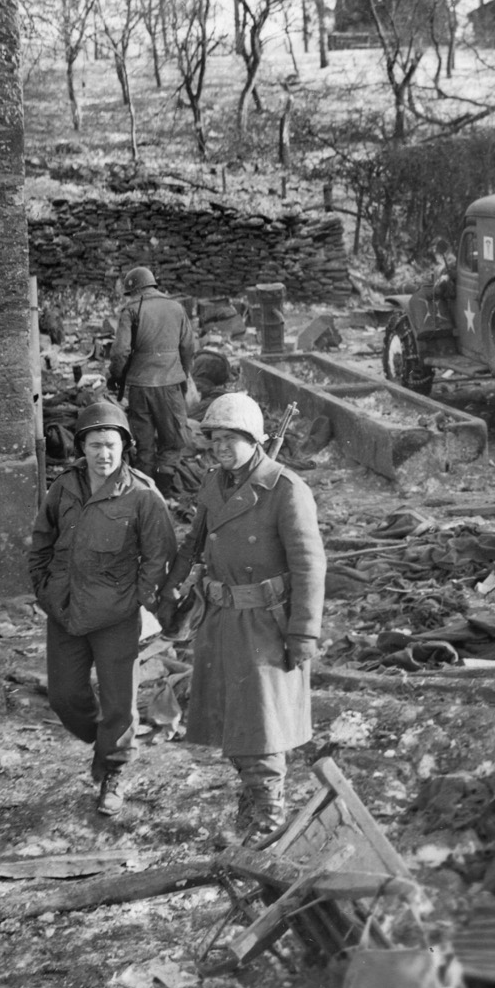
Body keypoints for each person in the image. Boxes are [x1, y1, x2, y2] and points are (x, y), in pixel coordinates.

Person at [156, 393, 325, 847]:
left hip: (265, 622)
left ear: (255, 440)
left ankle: (269, 815)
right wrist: (170, 595)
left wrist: (304, 631)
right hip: (220, 616)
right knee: (229, 718)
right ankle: (253, 799)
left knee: (261, 723)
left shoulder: (286, 490)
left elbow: (310, 566)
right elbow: (194, 545)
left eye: (232, 439)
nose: (222, 447)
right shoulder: (216, 484)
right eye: (215, 438)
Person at [27, 400, 175, 817]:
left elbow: (160, 555)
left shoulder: (143, 494)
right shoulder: (64, 487)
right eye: (95, 445)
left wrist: (135, 601)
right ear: (82, 447)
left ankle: (113, 771)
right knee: (64, 697)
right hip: (66, 611)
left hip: (115, 616)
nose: (103, 454)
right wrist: (44, 589)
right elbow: (41, 540)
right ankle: (105, 742)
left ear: (124, 447)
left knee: (119, 705)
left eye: (111, 445)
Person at [108, 265, 197, 488]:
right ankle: (164, 487)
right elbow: (188, 347)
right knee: (172, 439)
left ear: (135, 290)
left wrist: (117, 376)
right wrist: (183, 374)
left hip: (139, 387)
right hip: (169, 384)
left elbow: (120, 352)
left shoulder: (130, 310)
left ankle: (144, 491)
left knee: (144, 442)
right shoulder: (176, 307)